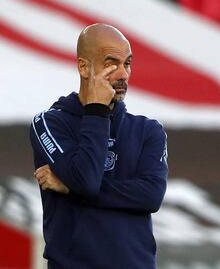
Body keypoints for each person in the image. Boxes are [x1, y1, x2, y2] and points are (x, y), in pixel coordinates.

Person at [29, 23, 168, 269]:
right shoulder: (50, 123)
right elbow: (86, 179)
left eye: (127, 63)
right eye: (111, 63)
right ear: (83, 67)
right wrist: (97, 110)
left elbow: (151, 196)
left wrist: (70, 188)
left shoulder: (149, 130)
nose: (123, 74)